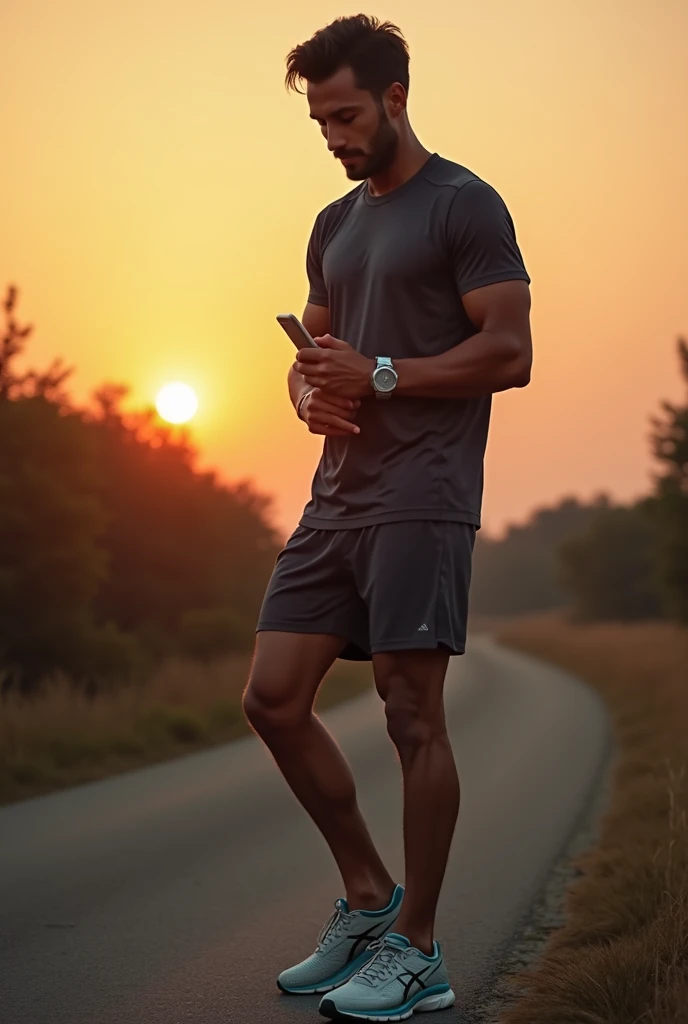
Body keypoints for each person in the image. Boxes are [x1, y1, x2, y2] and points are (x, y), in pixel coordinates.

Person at [242, 13, 532, 1022]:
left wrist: (385, 372)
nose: (333, 135)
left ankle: (420, 951)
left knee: (411, 716)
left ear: (397, 98)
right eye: (320, 121)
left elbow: (509, 352)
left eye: (347, 115)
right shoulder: (334, 222)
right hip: (337, 498)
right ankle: (370, 897)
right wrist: (308, 390)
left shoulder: (465, 206)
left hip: (424, 498)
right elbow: (313, 351)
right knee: (271, 698)